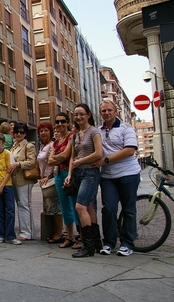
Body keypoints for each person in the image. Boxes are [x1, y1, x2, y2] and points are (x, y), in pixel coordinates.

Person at [93, 99, 141, 257]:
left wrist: (106, 160)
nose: (106, 113)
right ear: (100, 113)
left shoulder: (126, 128)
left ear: (116, 111)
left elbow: (130, 150)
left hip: (128, 174)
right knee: (109, 209)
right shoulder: (98, 131)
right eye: (103, 111)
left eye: (109, 110)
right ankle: (109, 243)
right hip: (108, 176)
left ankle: (127, 243)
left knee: (128, 209)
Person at [65, 103, 103, 258]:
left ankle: (87, 246)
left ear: (89, 115)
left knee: (80, 206)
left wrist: (81, 161)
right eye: (76, 115)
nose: (79, 117)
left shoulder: (94, 132)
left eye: (81, 114)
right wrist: (69, 174)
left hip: (90, 173)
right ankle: (95, 242)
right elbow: (72, 157)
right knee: (90, 207)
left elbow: (99, 153)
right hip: (78, 173)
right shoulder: (75, 135)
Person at [48, 113, 80, 248]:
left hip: (69, 173)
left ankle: (82, 236)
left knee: (74, 205)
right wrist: (58, 158)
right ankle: (70, 236)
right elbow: (49, 161)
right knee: (64, 206)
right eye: (57, 121)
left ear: (67, 123)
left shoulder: (71, 137)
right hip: (58, 174)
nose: (60, 124)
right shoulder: (56, 141)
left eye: (62, 121)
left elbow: (67, 155)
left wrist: (57, 157)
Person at [8, 122, 37, 241]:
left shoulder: (29, 146)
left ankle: (27, 233)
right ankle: (27, 231)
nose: (19, 134)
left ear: (25, 133)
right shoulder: (14, 146)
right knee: (21, 204)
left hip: (25, 179)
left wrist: (18, 164)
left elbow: (32, 162)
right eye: (17, 132)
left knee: (25, 205)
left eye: (22, 132)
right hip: (15, 179)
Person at [37, 122, 63, 243]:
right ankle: (55, 231)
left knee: (56, 208)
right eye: (41, 131)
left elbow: (55, 162)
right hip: (45, 180)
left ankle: (59, 233)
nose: (43, 133)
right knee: (49, 208)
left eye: (46, 130)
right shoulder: (42, 146)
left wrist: (49, 175)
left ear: (51, 132)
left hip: (51, 179)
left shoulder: (53, 145)